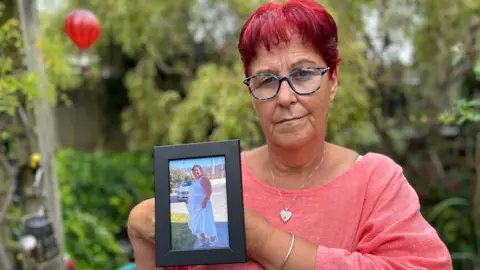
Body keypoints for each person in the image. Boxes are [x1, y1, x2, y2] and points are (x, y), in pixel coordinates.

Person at [127, 0, 453, 269]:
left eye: (303, 74)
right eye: (266, 80)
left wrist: (264, 240)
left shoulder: (376, 183)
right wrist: (142, 236)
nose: (285, 98)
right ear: (251, 94)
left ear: (334, 80)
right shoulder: (220, 180)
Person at [186, 165, 217, 247]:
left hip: (203, 206)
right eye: (194, 170)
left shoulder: (204, 179)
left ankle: (212, 240)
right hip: (194, 207)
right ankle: (202, 239)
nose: (196, 172)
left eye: (197, 170)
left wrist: (204, 201)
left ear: (201, 171)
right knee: (197, 224)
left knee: (207, 222)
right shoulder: (194, 181)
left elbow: (209, 192)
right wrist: (188, 203)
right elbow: (192, 194)